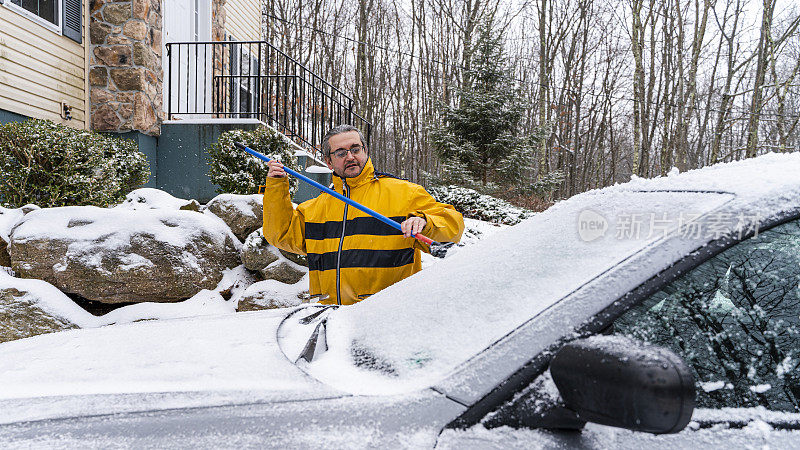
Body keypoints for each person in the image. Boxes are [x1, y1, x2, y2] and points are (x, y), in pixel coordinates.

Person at [262, 124, 464, 305]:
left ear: (365, 151)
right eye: (340, 153)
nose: (350, 157)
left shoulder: (403, 193)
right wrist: (277, 186)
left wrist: (425, 222)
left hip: (387, 315)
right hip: (332, 318)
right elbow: (281, 234)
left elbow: (452, 227)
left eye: (355, 149)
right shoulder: (316, 209)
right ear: (329, 161)